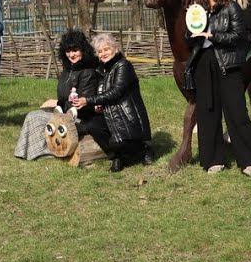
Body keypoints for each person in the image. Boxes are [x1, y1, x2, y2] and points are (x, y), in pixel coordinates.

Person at [183, 0, 251, 176]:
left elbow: (238, 35)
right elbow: (188, 38)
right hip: (204, 63)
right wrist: (191, 31)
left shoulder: (231, 8)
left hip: (228, 64)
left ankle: (250, 160)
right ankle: (213, 160)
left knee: (237, 112)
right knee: (207, 112)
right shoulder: (198, 9)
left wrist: (212, 35)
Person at [14, 29, 101, 160]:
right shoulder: (67, 70)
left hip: (79, 117)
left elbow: (85, 102)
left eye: (75, 50)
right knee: (33, 116)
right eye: (68, 51)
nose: (71, 55)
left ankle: (45, 153)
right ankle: (27, 152)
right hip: (62, 113)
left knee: (47, 122)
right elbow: (62, 97)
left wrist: (64, 115)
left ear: (83, 50)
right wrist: (58, 107)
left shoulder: (88, 72)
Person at [73, 33, 154, 173]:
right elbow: (101, 91)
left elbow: (116, 92)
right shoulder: (101, 69)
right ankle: (116, 156)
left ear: (115, 49)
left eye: (106, 49)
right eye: (100, 51)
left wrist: (88, 101)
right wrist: (98, 103)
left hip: (127, 113)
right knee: (92, 126)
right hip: (109, 111)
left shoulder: (123, 65)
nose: (103, 54)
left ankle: (144, 149)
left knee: (120, 140)